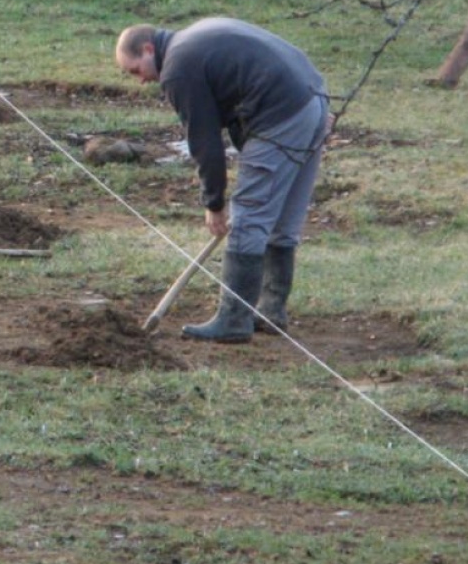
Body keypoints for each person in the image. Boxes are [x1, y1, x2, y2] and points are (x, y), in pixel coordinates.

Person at [116, 18, 329, 343]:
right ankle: (270, 309)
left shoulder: (177, 68)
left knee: (248, 217)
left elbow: (204, 142)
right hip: (312, 100)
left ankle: (233, 319)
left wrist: (213, 203)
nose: (141, 80)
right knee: (283, 215)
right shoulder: (197, 37)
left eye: (135, 70)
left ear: (148, 49)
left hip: (282, 112)